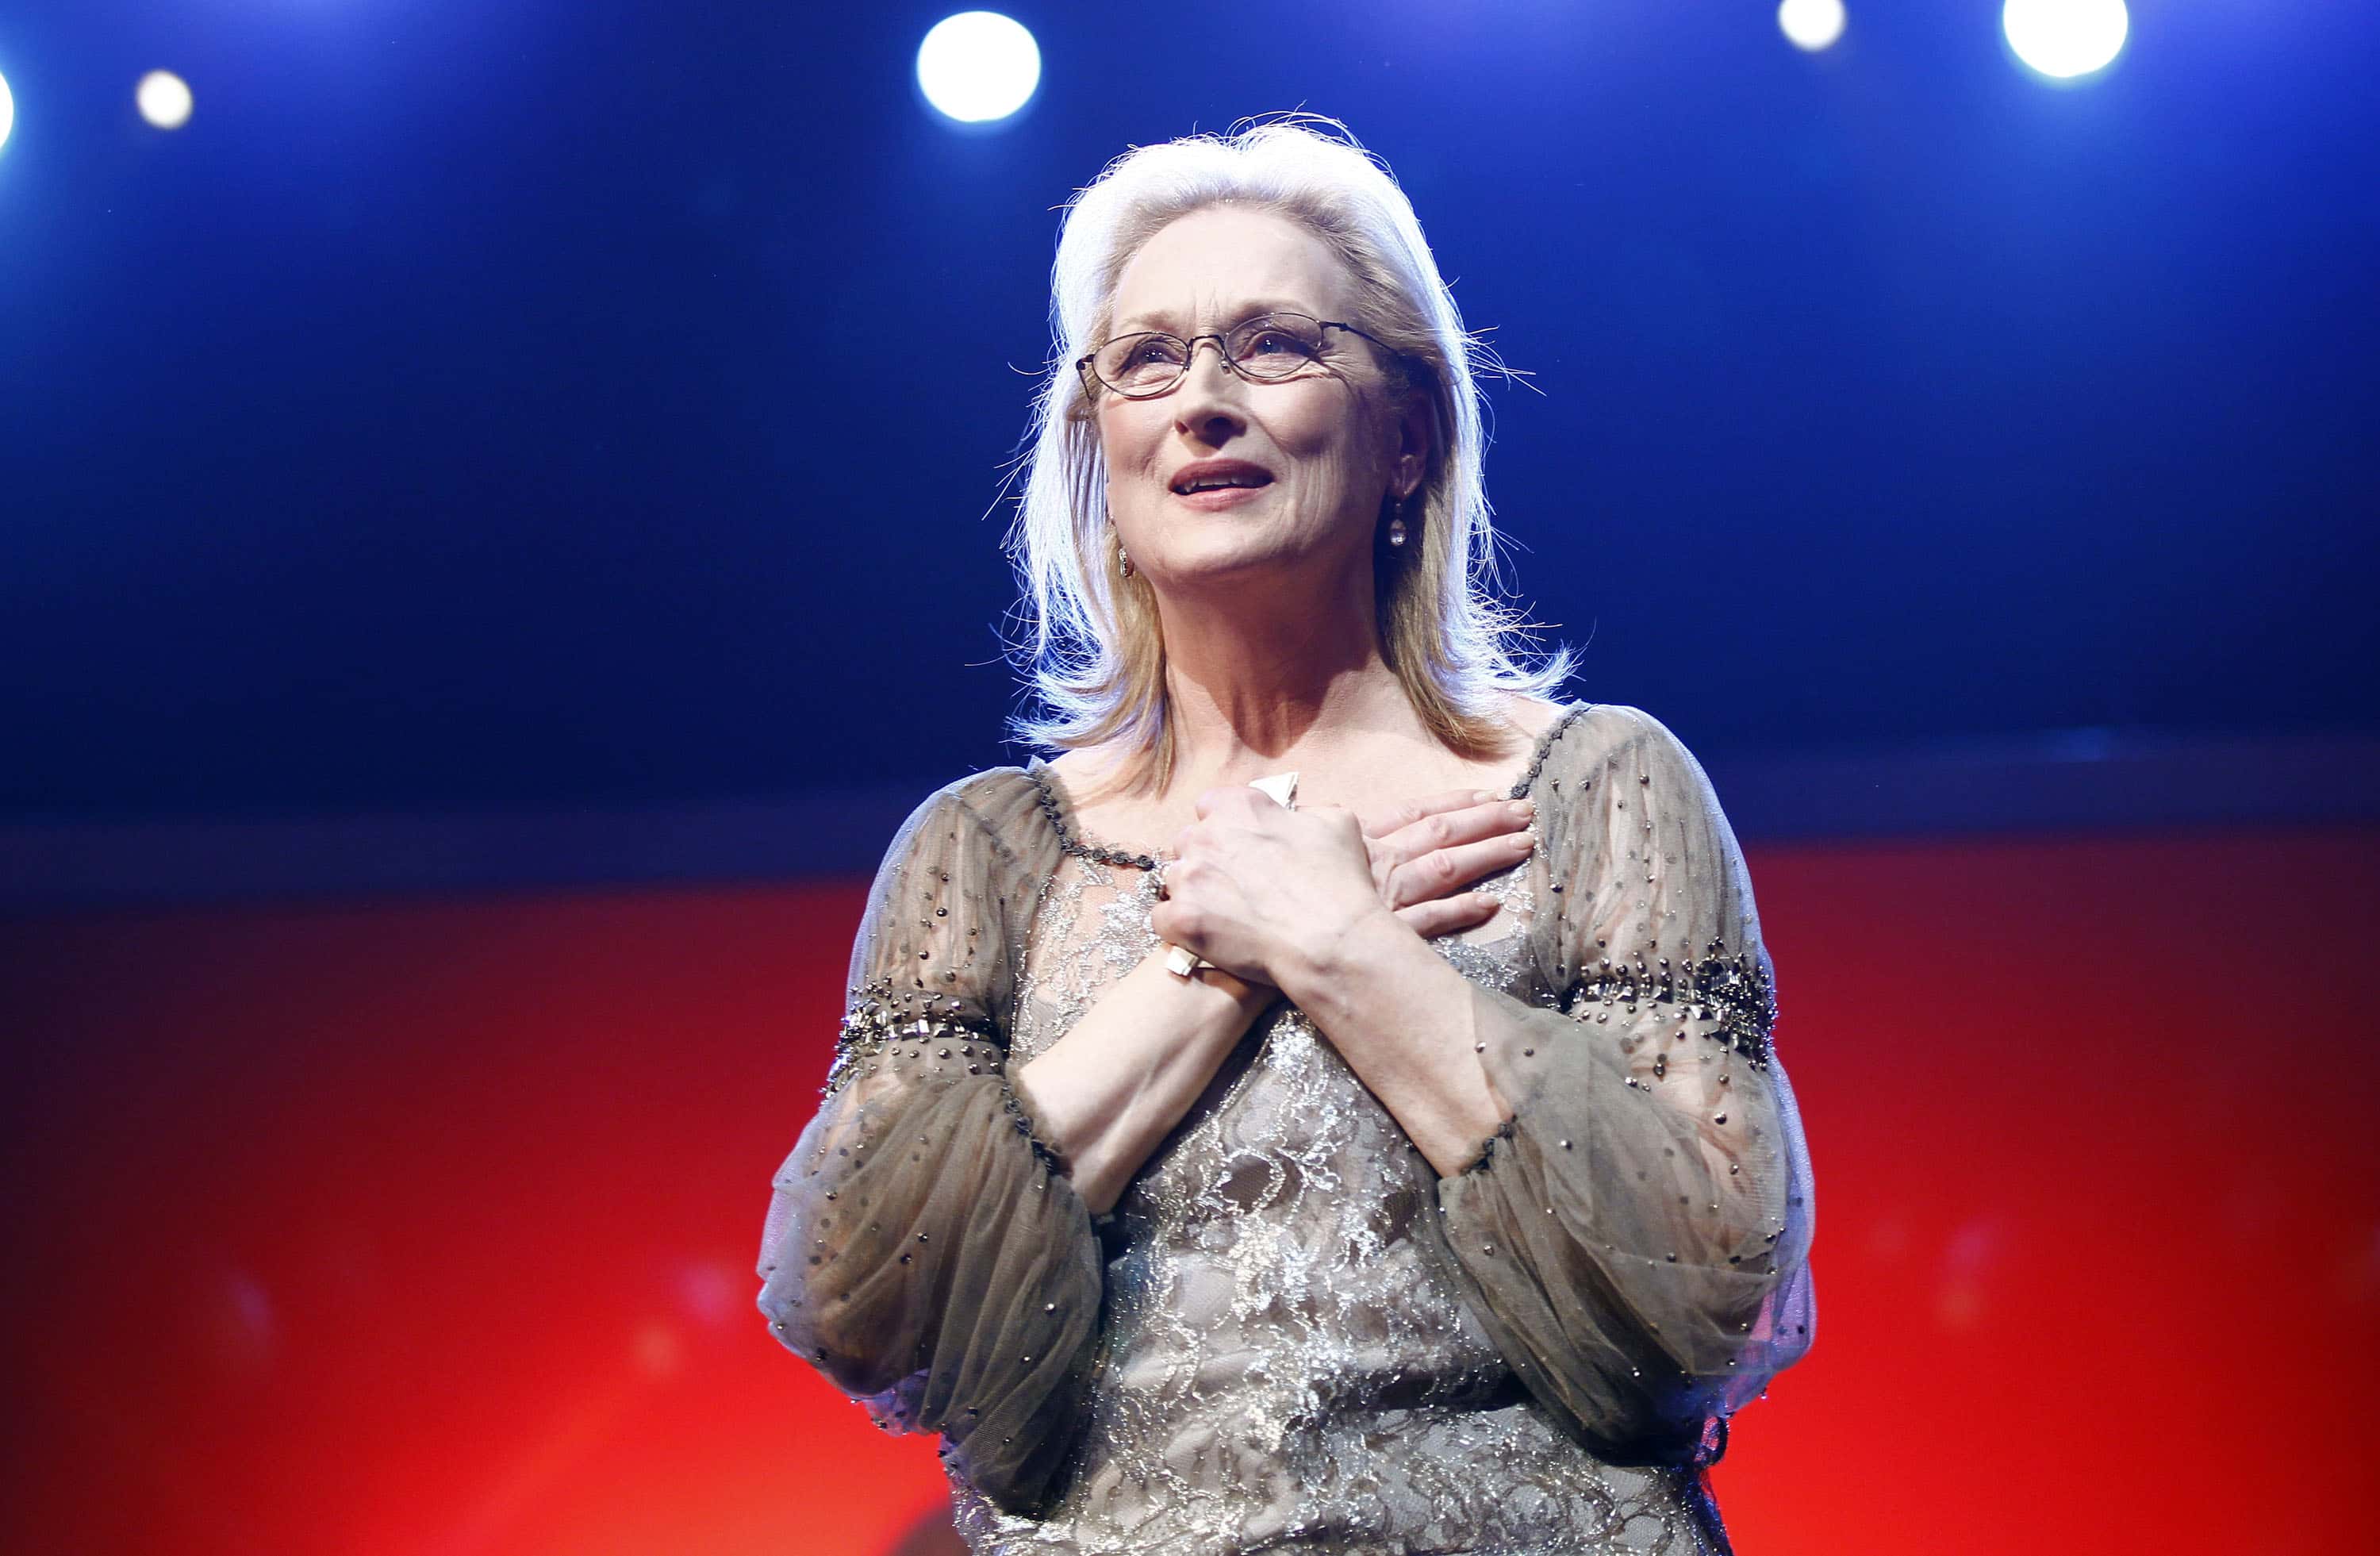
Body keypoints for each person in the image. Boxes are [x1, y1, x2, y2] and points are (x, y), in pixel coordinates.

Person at [757, 114, 1816, 1554]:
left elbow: (1702, 1286)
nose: (1199, 400)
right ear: (1102, 457)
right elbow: (866, 1299)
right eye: (1145, 360)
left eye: (1272, 346)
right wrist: (1223, 951)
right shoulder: (986, 853)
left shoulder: (1595, 789)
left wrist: (1346, 946)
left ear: (1407, 436)